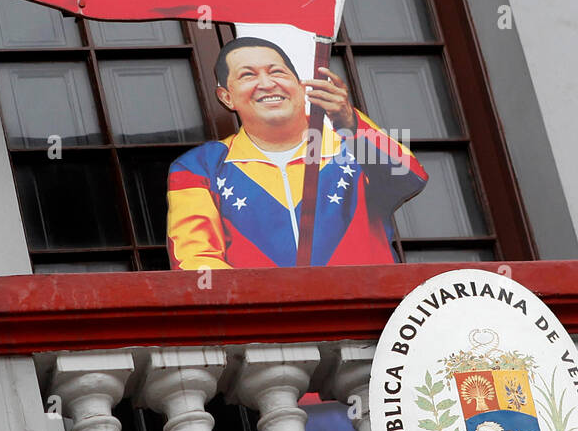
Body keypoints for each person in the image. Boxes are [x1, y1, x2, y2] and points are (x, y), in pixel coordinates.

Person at [167, 36, 428, 268]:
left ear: (301, 86)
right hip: (268, 320)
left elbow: (409, 178)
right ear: (226, 97)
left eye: (277, 72)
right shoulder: (198, 167)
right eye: (248, 75)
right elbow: (195, 260)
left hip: (370, 316)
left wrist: (351, 124)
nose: (267, 84)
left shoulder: (351, 143)